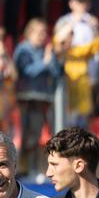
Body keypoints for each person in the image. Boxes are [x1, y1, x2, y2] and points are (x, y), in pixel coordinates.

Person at [14, 19, 64, 179]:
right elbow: (27, 71)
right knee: (26, 136)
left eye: (45, 32)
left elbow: (56, 72)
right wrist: (46, 62)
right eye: (39, 32)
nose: (43, 36)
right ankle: (23, 171)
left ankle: (32, 169)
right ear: (29, 33)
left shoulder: (46, 50)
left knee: (36, 136)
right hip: (26, 99)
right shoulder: (23, 50)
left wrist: (53, 59)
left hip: (42, 99)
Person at [54, 0, 99, 128]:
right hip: (67, 70)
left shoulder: (92, 22)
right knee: (67, 111)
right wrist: (73, 22)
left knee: (84, 113)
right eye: (79, 2)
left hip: (86, 72)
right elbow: (57, 43)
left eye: (85, 2)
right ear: (71, 3)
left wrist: (95, 75)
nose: (82, 6)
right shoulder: (63, 21)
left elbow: (97, 51)